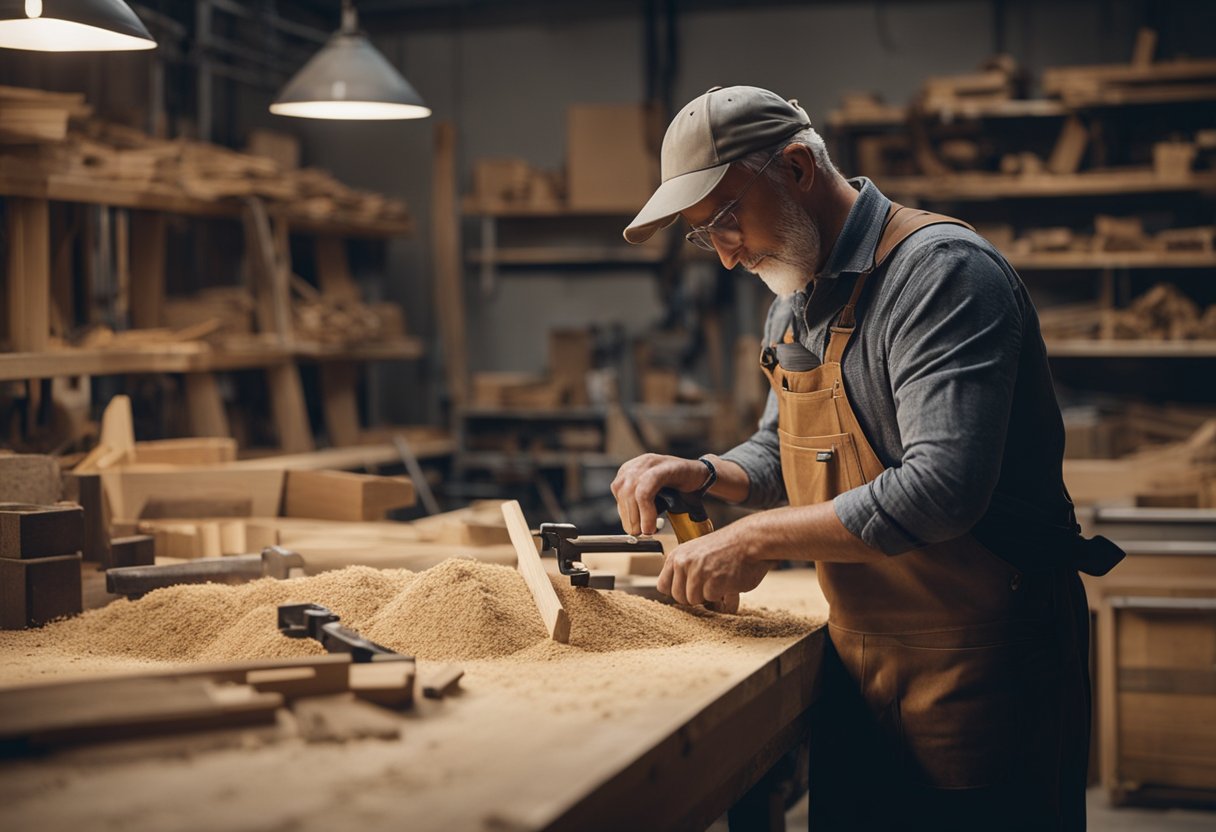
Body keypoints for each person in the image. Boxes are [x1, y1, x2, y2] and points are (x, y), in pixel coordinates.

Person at [611, 85, 1123, 830]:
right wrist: (703, 473)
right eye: (702, 235)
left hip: (982, 669)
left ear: (795, 169)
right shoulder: (792, 292)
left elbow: (942, 488)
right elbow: (779, 448)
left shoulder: (941, 275)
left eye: (724, 220)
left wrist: (752, 538)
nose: (724, 256)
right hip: (859, 665)